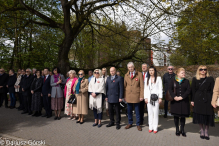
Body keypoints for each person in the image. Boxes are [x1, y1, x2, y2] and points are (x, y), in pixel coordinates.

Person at [191, 65, 215, 140]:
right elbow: (193, 91)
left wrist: (213, 100)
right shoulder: (195, 79)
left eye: (204, 69)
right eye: (201, 69)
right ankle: (202, 130)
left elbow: (213, 91)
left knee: (207, 115)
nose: (203, 71)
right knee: (199, 115)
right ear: (198, 70)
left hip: (208, 99)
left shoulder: (210, 79)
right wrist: (192, 100)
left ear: (206, 70)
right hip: (198, 99)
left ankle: (206, 131)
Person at [169, 68, 191, 137]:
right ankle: (177, 130)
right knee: (176, 116)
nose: (184, 74)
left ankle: (182, 130)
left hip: (184, 101)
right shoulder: (173, 80)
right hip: (175, 101)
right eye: (182, 73)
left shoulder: (186, 81)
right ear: (177, 74)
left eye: (184, 73)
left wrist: (182, 97)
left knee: (183, 117)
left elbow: (188, 91)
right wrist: (174, 97)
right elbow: (169, 89)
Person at [124, 62, 144, 131]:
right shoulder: (126, 75)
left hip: (137, 95)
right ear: (128, 68)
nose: (131, 68)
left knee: (137, 111)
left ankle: (138, 124)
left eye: (131, 67)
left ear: (134, 66)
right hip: (128, 95)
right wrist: (124, 96)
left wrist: (141, 96)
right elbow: (124, 86)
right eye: (129, 67)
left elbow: (142, 86)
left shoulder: (139, 74)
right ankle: (130, 123)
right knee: (129, 111)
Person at [144, 66, 162, 133]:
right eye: (150, 70)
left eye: (152, 70)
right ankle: (150, 127)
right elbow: (145, 89)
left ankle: (155, 128)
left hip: (156, 98)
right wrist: (145, 98)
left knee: (156, 113)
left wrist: (160, 98)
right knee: (150, 114)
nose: (151, 71)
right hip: (149, 99)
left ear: (154, 71)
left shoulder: (158, 78)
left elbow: (160, 88)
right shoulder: (147, 79)